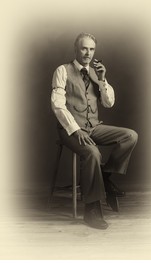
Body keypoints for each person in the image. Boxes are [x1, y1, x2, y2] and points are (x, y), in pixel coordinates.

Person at [51, 32, 138, 230]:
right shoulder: (63, 70)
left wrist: (102, 80)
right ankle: (91, 209)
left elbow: (108, 103)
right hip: (70, 129)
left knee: (130, 136)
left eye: (91, 49)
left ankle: (105, 176)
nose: (88, 53)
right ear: (76, 49)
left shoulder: (96, 73)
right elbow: (57, 106)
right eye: (84, 48)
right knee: (92, 152)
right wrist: (75, 130)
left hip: (94, 126)